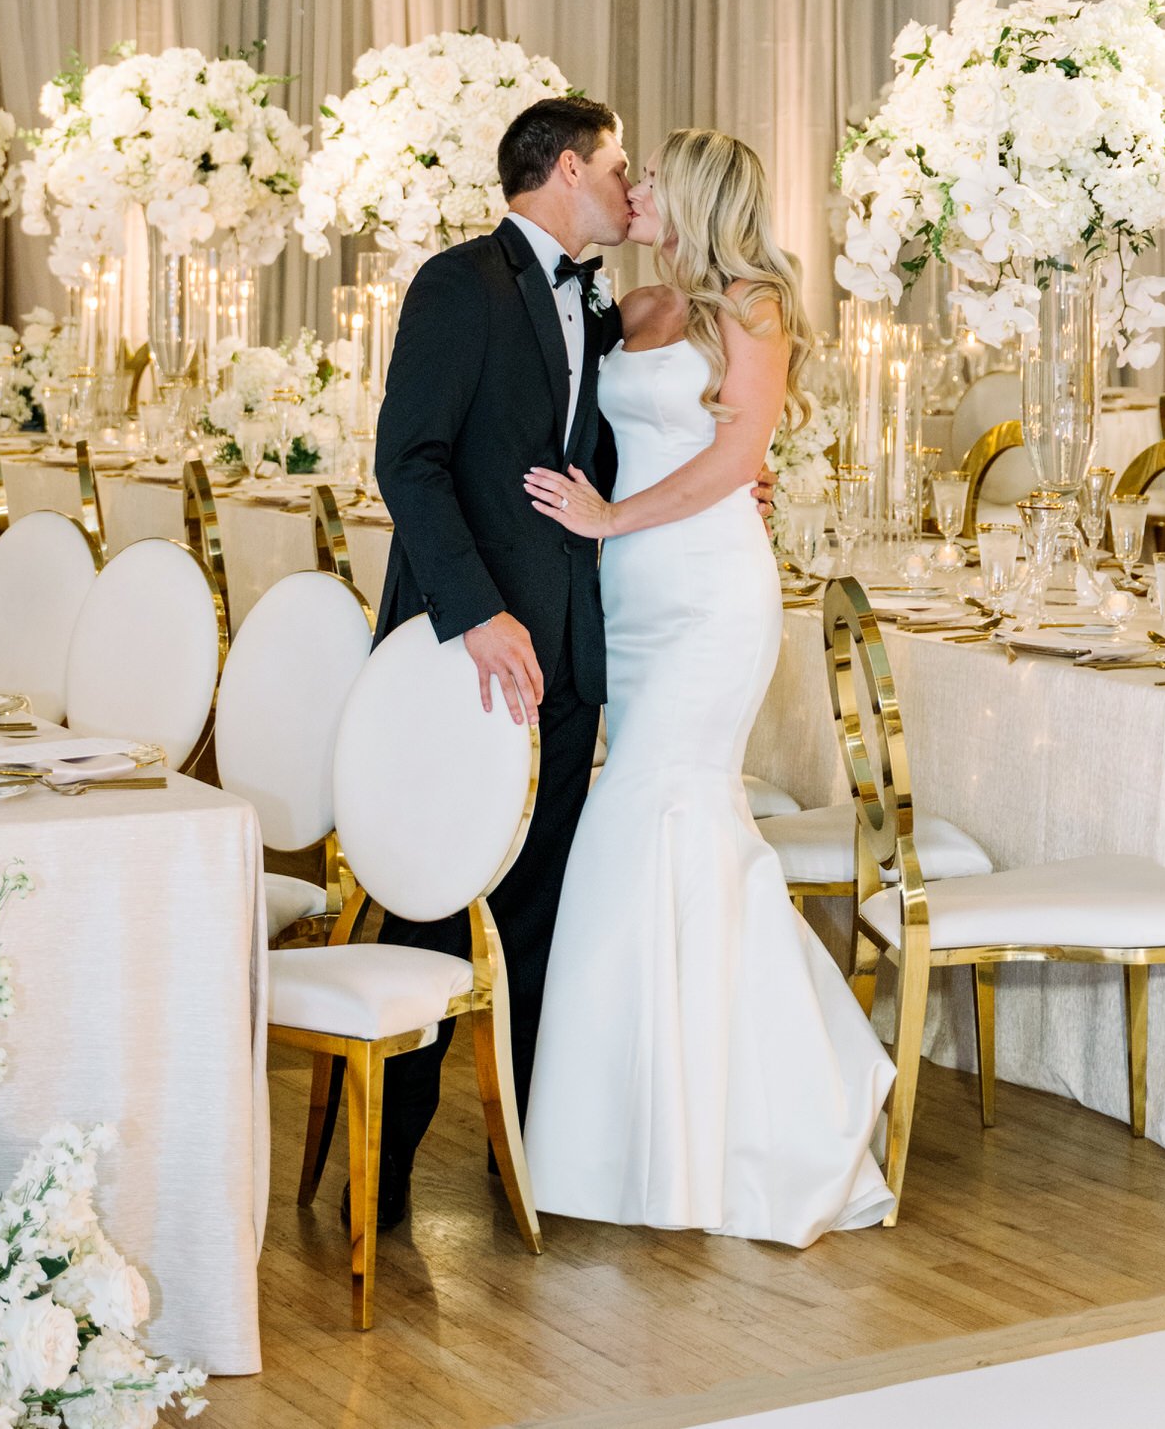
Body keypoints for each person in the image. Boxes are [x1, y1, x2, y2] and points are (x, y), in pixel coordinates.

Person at [521, 128, 894, 1245]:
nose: (632, 191)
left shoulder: (753, 307)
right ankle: (644, 1134)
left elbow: (735, 461)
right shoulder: (635, 308)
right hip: (631, 601)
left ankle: (707, 1139)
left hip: (711, 597)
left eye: (649, 180)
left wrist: (611, 518)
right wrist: (600, 520)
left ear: (691, 196)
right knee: (657, 837)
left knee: (651, 820)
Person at [367, 96, 631, 1229]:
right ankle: (382, 1171)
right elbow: (409, 461)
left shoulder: (594, 301)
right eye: (617, 167)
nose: (629, 190)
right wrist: (474, 614)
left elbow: (590, 452)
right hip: (466, 659)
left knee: (536, 910)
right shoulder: (458, 283)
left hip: (567, 647)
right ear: (566, 168)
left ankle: (521, 1156)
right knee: (436, 900)